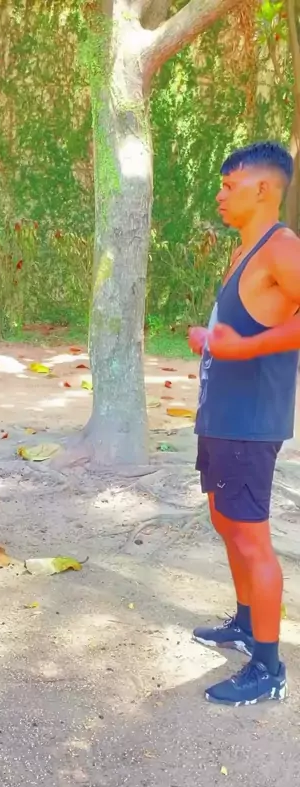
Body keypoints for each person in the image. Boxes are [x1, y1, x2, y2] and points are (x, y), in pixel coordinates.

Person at [188, 141, 300, 706]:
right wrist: (215, 343)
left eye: (229, 184)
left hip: (251, 422)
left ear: (261, 189)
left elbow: (258, 338)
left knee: (252, 539)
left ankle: (268, 667)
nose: (220, 194)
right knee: (225, 520)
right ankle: (246, 623)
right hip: (222, 416)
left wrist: (242, 347)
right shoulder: (244, 252)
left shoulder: (282, 248)